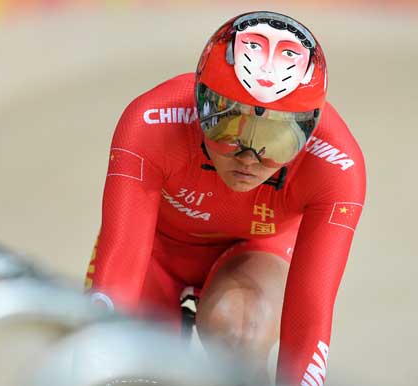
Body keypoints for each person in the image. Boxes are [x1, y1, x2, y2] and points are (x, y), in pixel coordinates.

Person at [85, 11, 365, 386]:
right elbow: (119, 266)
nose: (249, 156)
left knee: (241, 326)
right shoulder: (151, 121)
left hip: (256, 254)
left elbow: (311, 313)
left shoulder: (337, 164)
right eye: (228, 123)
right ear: (199, 104)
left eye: (278, 138)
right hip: (153, 253)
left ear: (309, 130)